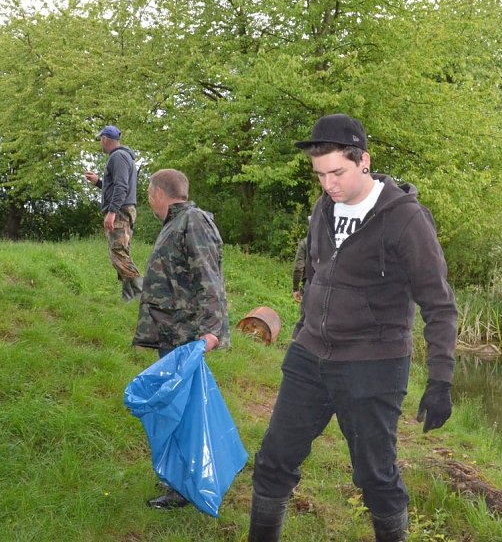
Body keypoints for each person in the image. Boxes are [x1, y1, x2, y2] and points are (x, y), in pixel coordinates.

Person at [249, 114, 458, 542]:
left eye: (337, 173)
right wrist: (302, 331)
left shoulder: (406, 219)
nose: (328, 185)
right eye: (320, 175)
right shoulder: (323, 208)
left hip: (373, 365)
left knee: (376, 476)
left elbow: (439, 305)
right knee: (273, 460)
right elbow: (316, 275)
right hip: (310, 357)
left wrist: (441, 379)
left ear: (364, 160)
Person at [131, 168, 231, 509]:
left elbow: (209, 277)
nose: (149, 202)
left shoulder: (193, 221)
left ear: (159, 193)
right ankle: (180, 479)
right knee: (177, 410)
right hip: (171, 334)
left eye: (149, 195)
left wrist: (211, 332)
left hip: (185, 338)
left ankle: (184, 487)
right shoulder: (176, 223)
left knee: (182, 413)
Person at [84, 125, 144, 301]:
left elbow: (121, 187)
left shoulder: (117, 157)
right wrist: (98, 182)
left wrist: (112, 212)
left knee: (118, 254)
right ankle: (129, 299)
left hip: (120, 211)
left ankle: (144, 295)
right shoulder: (125, 157)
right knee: (121, 253)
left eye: (100, 139)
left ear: (105, 139)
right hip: (124, 208)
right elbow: (116, 186)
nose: (100, 143)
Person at [291, 236, 307, 302]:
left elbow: (298, 268)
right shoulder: (333, 243)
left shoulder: (305, 242)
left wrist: (295, 289)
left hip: (309, 287)